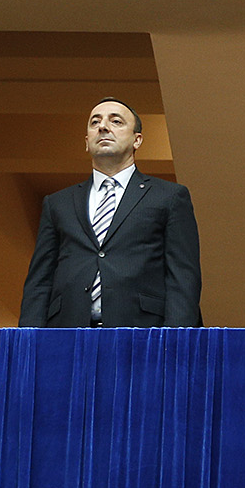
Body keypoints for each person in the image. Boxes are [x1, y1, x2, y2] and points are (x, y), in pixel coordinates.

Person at [19, 98, 201, 327]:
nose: (103, 127)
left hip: (143, 332)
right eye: (95, 122)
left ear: (137, 140)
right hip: (67, 331)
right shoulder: (57, 203)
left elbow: (182, 276)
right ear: (87, 142)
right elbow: (40, 279)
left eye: (116, 121)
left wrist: (177, 338)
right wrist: (28, 338)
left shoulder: (169, 196)